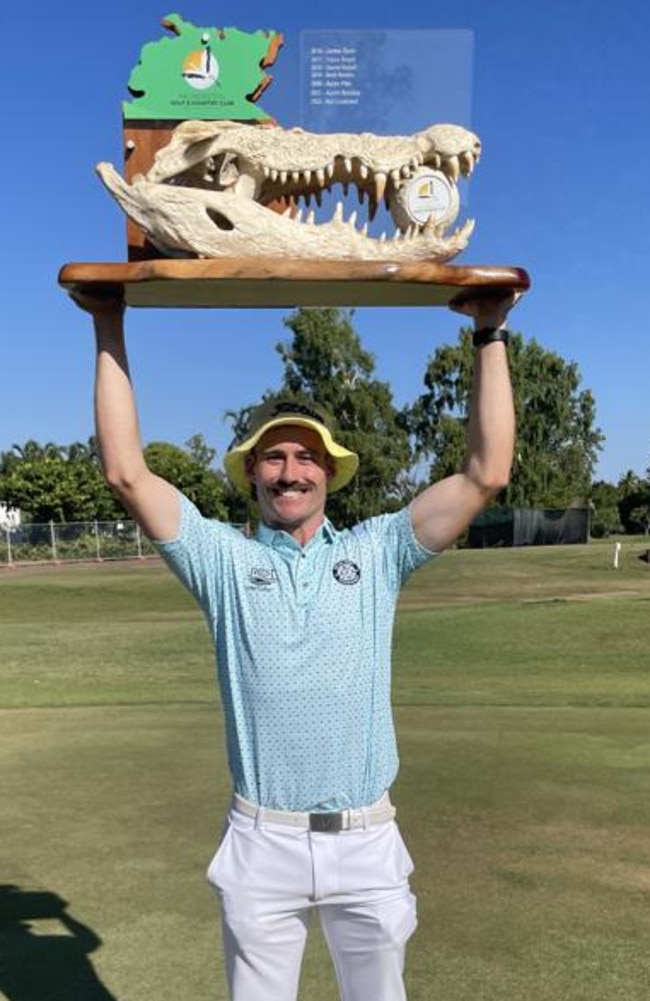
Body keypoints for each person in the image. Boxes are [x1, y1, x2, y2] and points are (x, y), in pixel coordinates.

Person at [73, 287, 519, 1001]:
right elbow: (127, 471)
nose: (290, 471)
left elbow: (485, 472)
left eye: (306, 456)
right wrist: (108, 319)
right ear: (251, 469)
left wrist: (490, 331)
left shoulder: (380, 550)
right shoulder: (220, 559)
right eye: (274, 456)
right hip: (261, 841)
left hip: (368, 840)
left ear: (330, 470)